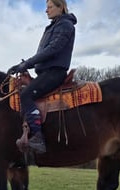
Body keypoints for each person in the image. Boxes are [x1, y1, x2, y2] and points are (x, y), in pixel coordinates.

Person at [8, 0, 77, 153]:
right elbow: (43, 54)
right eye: (47, 8)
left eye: (50, 7)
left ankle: (38, 137)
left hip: (54, 73)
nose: (46, 11)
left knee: (26, 95)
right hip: (46, 72)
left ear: (61, 7)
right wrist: (25, 64)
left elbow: (52, 50)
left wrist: (25, 65)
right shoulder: (55, 26)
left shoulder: (65, 25)